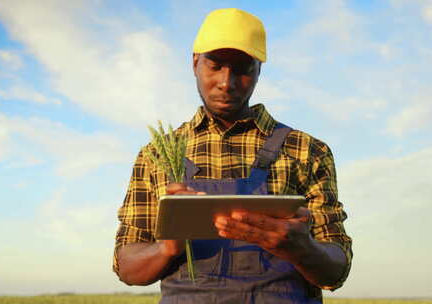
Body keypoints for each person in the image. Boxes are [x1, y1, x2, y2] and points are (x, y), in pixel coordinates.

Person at [113, 8, 352, 304]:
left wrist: (301, 248)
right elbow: (127, 266)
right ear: (195, 62)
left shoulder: (308, 151)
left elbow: (336, 270)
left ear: (259, 69)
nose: (227, 82)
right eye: (215, 66)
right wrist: (167, 247)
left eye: (242, 68)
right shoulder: (157, 155)